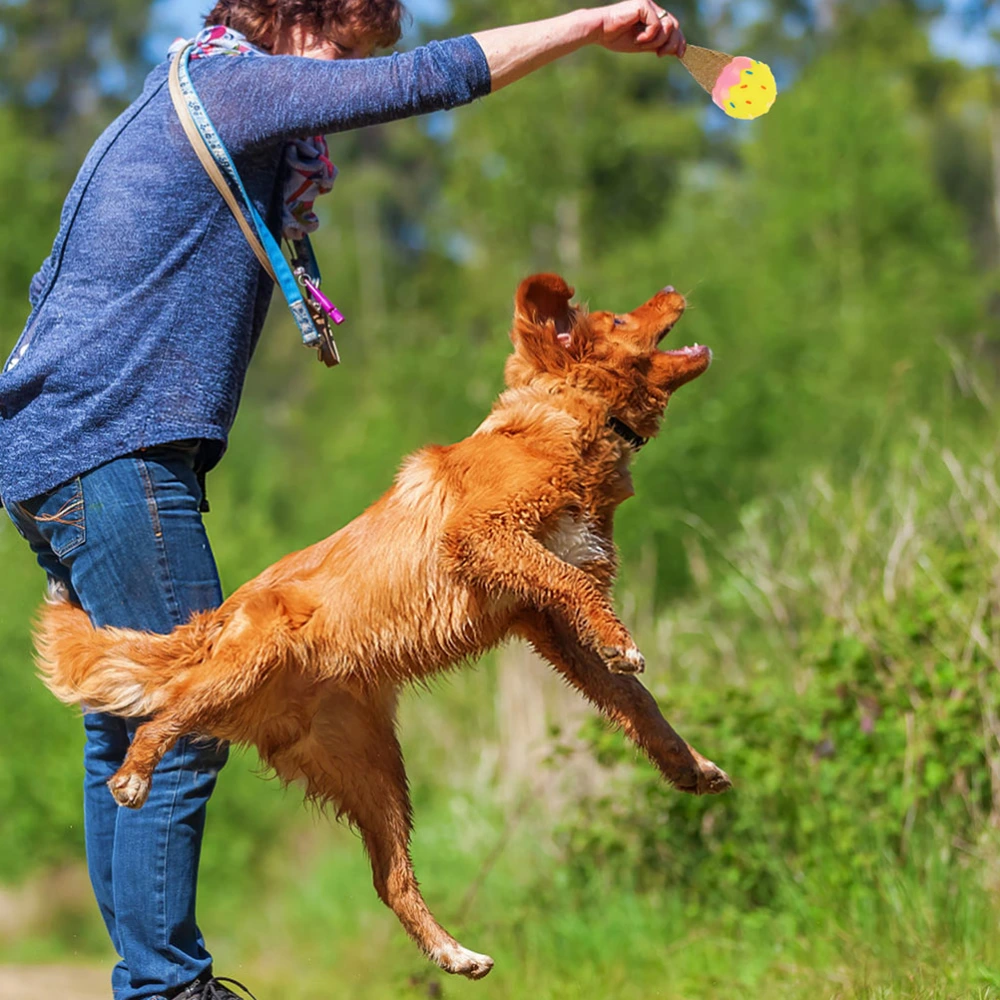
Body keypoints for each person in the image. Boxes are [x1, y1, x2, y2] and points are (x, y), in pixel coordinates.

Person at [0, 2, 685, 997]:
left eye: (352, 54)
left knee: (132, 720)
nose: (337, 71)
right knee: (191, 713)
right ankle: (164, 988)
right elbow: (426, 80)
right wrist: (586, 25)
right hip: (113, 453)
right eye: (338, 43)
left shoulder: (185, 86)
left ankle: (148, 981)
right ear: (295, 15)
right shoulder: (235, 87)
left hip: (60, 452)